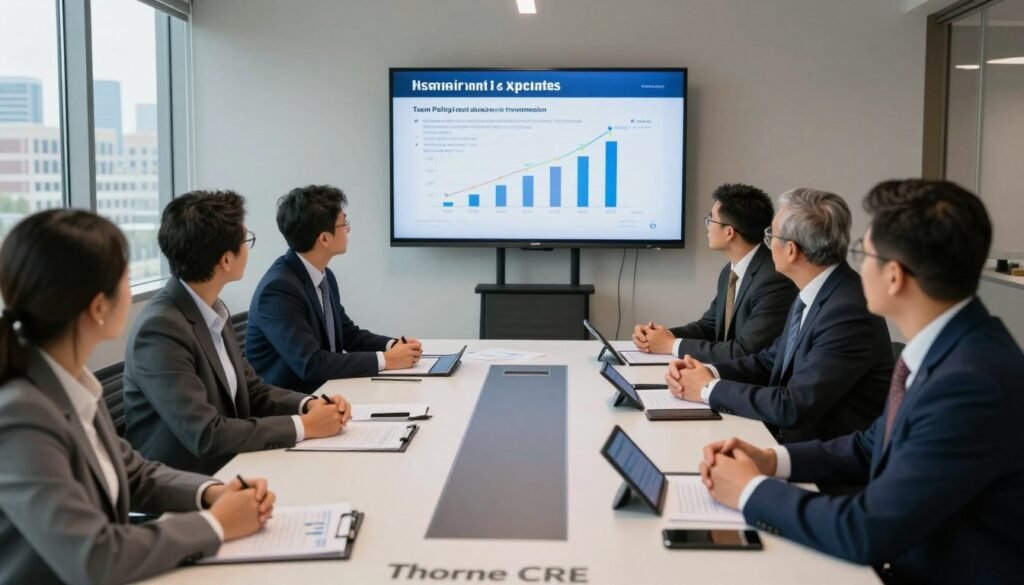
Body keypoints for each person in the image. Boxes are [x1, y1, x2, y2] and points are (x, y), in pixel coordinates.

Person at [698, 179, 1024, 584]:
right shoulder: (950, 348)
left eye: (862, 253)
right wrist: (772, 461)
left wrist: (749, 491)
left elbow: (867, 530)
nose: (852, 267)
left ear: (894, 276)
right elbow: (871, 444)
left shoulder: (971, 381)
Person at [0, 210, 274, 584]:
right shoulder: (20, 415)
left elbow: (134, 473)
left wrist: (213, 492)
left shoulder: (69, 382)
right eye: (127, 279)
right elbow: (94, 557)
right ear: (98, 306)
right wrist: (215, 524)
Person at [124, 190, 351, 475]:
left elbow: (252, 390)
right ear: (226, 261)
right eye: (245, 240)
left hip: (234, 463)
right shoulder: (160, 329)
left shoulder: (212, 309)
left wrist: (310, 404)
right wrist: (303, 426)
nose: (248, 248)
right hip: (189, 483)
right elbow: (206, 434)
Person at [666, 188, 892, 443]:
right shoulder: (817, 291)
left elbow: (793, 405)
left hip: (821, 461)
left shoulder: (847, 312)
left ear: (791, 250)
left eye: (770, 234)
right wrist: (707, 371)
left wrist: (708, 389)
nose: (767, 242)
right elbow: (769, 361)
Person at [246, 184, 421, 393]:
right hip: (295, 405)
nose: (348, 229)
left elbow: (348, 335)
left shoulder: (323, 275)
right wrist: (386, 360)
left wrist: (392, 346)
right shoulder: (278, 290)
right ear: (325, 238)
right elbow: (311, 364)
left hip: (328, 392)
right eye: (343, 223)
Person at [633, 183, 797, 361]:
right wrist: (660, 336)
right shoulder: (731, 270)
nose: (707, 227)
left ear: (729, 232)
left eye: (710, 220)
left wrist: (670, 345)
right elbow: (708, 328)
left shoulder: (774, 279)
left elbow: (745, 350)